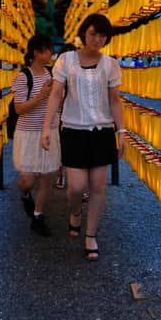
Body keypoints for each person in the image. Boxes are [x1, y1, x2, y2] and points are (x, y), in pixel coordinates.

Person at [41, 13, 126, 261]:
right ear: (83, 34)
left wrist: (121, 131)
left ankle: (90, 235)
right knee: (76, 187)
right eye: (92, 34)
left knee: (98, 186)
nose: (97, 39)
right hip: (73, 130)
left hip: (102, 131)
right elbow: (56, 94)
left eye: (102, 35)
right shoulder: (66, 60)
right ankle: (76, 209)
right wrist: (47, 127)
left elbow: (114, 100)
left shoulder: (110, 64)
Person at [12, 34, 62, 236]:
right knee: (28, 180)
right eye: (45, 50)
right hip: (28, 133)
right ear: (35, 52)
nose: (50, 54)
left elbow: (60, 101)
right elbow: (19, 109)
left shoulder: (54, 75)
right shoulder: (23, 76)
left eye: (50, 50)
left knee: (47, 178)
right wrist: (41, 95)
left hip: (50, 131)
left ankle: (38, 216)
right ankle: (24, 194)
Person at [52, 43, 77, 191]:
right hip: (60, 116)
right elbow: (55, 98)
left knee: (77, 150)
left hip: (77, 118)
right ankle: (61, 175)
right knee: (61, 148)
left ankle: (80, 185)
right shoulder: (57, 76)